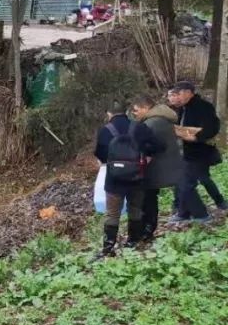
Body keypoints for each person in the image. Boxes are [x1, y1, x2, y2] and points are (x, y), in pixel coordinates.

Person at [94, 100, 161, 256]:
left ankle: (108, 247)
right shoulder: (139, 126)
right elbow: (157, 145)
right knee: (135, 208)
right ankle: (133, 241)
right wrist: (147, 156)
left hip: (114, 179)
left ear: (109, 114)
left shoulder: (105, 130)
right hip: (137, 177)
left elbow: (100, 154)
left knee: (112, 213)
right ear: (126, 112)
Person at [168, 81, 224, 223]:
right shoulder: (183, 108)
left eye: (179, 93)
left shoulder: (204, 107)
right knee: (184, 182)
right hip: (187, 151)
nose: (177, 97)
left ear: (188, 92)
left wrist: (196, 137)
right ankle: (183, 213)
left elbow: (212, 128)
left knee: (186, 184)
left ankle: (201, 215)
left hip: (200, 152)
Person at [132, 95, 185, 241]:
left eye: (136, 110)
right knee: (151, 198)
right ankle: (149, 228)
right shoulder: (165, 119)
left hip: (154, 168)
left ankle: (147, 230)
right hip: (170, 165)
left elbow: (148, 146)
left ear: (145, 108)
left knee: (148, 199)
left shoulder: (150, 124)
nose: (134, 114)